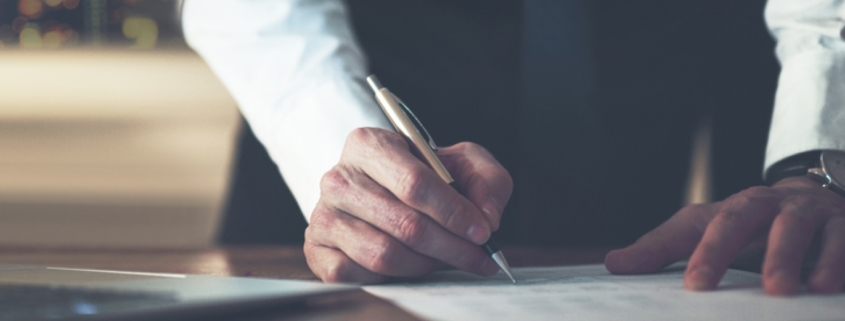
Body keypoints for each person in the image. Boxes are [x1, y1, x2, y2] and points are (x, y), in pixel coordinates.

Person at [182, 0, 845, 295]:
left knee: (767, 269)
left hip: (670, 55)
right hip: (357, 78)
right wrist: (341, 152)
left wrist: (815, 160)